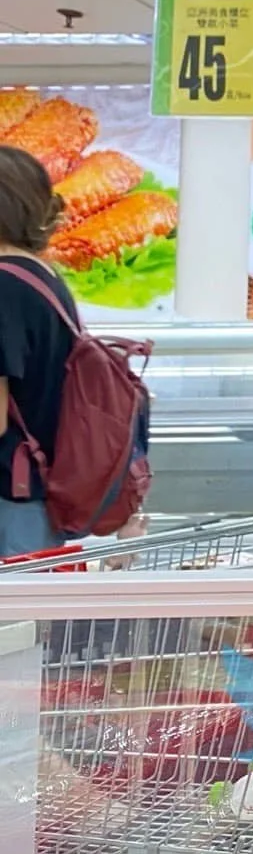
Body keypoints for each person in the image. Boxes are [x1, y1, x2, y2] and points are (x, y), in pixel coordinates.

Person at [0, 144, 76, 559]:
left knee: (12, 620)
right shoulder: (43, 274)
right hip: (39, 494)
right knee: (27, 620)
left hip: (10, 497)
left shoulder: (3, 286)